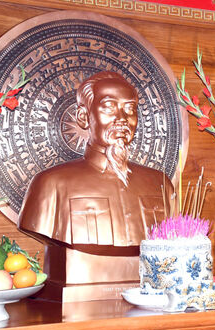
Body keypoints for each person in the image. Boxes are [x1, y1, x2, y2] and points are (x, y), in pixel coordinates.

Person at [18, 71, 172, 285]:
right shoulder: (51, 184)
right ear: (83, 116)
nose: (122, 118)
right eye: (109, 107)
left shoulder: (160, 184)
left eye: (130, 109)